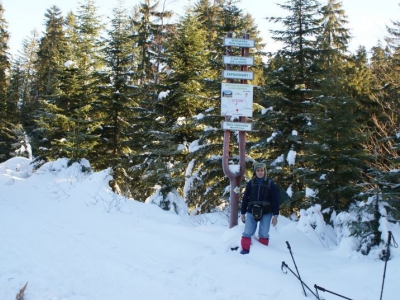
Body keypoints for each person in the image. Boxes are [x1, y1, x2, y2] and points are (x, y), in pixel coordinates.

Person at [240, 162, 279, 254]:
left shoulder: (270, 183)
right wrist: (242, 213)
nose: (260, 172)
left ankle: (262, 253)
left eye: (261, 170)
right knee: (247, 232)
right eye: (258, 170)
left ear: (264, 171)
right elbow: (245, 198)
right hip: (251, 211)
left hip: (266, 212)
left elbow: (275, 200)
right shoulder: (251, 183)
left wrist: (275, 215)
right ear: (255, 172)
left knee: (264, 233)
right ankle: (245, 250)